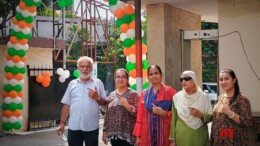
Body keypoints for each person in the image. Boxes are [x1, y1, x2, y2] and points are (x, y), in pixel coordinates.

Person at [56, 56, 107, 146]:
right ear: (78, 68)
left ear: (91, 68)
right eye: (82, 66)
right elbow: (66, 105)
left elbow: (105, 103)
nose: (85, 69)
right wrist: (62, 123)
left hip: (91, 127)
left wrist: (97, 97)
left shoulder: (98, 83)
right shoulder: (72, 84)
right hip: (74, 126)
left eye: (88, 66)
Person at [133, 65, 177, 146]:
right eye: (151, 74)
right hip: (147, 133)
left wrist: (165, 113)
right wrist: (138, 137)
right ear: (148, 77)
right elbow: (140, 116)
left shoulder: (170, 91)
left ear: (161, 74)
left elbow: (178, 113)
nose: (154, 76)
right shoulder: (144, 93)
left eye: (156, 73)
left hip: (165, 133)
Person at [169, 70, 213, 146]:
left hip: (199, 136)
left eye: (186, 79)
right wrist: (173, 140)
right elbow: (173, 120)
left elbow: (211, 117)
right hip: (182, 137)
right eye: (181, 79)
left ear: (194, 80)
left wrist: (201, 115)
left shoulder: (204, 97)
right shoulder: (177, 97)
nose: (183, 81)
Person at [210, 69, 252, 146]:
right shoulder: (219, 98)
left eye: (226, 79)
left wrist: (230, 113)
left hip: (235, 141)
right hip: (218, 140)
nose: (223, 82)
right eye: (221, 80)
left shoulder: (242, 99)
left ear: (234, 80)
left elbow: (247, 122)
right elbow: (215, 120)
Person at [102, 68, 139, 146]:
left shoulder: (133, 94)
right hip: (114, 136)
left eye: (123, 77)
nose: (120, 79)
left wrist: (127, 106)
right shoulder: (111, 95)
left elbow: (139, 114)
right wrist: (104, 131)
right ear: (115, 79)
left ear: (127, 79)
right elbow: (107, 115)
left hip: (129, 137)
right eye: (118, 77)